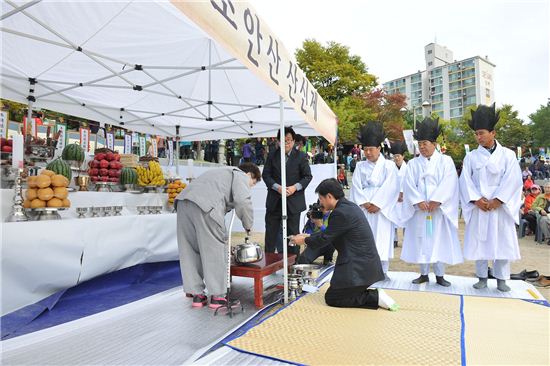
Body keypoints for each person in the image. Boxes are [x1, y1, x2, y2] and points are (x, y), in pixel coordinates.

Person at [291, 179, 399, 311]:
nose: (320, 203)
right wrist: (308, 236)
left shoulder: (340, 213)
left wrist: (304, 240)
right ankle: (370, 294)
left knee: (333, 298)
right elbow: (330, 234)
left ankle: (374, 297)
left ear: (329, 196)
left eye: (321, 199)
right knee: (337, 294)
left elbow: (325, 238)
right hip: (364, 264)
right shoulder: (349, 206)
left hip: (358, 267)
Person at [175, 162, 261, 308]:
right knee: (214, 249)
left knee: (189, 249)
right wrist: (248, 225)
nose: (250, 187)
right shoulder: (239, 174)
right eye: (252, 184)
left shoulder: (220, 172)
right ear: (249, 175)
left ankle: (197, 295)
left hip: (183, 203)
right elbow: (242, 201)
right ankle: (217, 296)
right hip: (206, 206)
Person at [459, 103, 522, 292]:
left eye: (482, 133)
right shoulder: (471, 157)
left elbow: (513, 180)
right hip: (480, 205)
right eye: (476, 134)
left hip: (499, 207)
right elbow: (465, 181)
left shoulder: (508, 155)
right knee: (481, 242)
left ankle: (502, 279)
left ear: (493, 133)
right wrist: (476, 200)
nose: (478, 137)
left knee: (501, 241)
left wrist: (498, 200)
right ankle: (482, 277)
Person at [400, 118, 463, 286]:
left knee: (438, 240)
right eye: (419, 143)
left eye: (425, 143)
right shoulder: (413, 164)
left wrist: (437, 201)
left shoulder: (446, 161)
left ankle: (440, 275)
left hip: (438, 210)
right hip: (421, 210)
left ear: (434, 143)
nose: (421, 147)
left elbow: (450, 182)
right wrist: (418, 201)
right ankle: (423, 274)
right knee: (422, 239)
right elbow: (408, 185)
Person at [350, 122, 400, 279]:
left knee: (382, 238)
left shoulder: (389, 166)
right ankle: (366, 270)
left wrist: (378, 203)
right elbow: (356, 187)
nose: (368, 152)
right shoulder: (360, 166)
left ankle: (383, 271)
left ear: (379, 148)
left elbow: (391, 187)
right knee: (365, 238)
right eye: (365, 149)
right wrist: (364, 203)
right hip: (365, 208)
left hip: (382, 209)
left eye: (371, 149)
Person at [263, 127, 313, 255]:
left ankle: (293, 265)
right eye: (283, 140)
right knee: (270, 235)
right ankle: (269, 264)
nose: (286, 143)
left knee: (293, 235)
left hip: (293, 202)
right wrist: (277, 187)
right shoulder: (272, 155)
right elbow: (266, 175)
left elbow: (307, 176)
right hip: (275, 201)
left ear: (294, 141)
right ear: (278, 141)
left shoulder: (301, 156)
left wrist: (294, 187)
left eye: (289, 140)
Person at [390, 140, 408, 248]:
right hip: (394, 198)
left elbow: (409, 183)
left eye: (398, 156)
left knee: (406, 219)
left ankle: (406, 239)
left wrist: (403, 193)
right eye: (395, 156)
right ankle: (394, 239)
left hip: (405, 198)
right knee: (393, 219)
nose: (397, 158)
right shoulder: (390, 168)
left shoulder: (408, 168)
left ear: (403, 156)